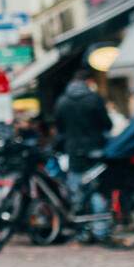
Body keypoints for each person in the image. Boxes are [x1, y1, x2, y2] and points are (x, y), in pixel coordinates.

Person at [53, 67, 112, 238]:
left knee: (77, 191)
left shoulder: (62, 101)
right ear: (88, 82)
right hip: (95, 150)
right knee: (98, 190)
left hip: (73, 152)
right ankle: (100, 230)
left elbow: (60, 129)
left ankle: (82, 231)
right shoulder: (94, 99)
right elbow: (107, 124)